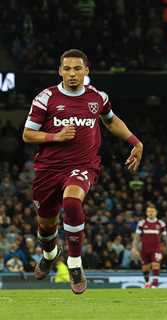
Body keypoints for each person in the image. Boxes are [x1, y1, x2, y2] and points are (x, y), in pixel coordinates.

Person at [22, 49, 144, 294]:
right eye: (67, 69)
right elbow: (27, 134)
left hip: (83, 166)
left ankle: (75, 263)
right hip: (48, 170)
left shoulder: (97, 97)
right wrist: (55, 136)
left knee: (72, 201)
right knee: (46, 227)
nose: (72, 74)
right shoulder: (46, 98)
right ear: (60, 71)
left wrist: (135, 142)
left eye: (78, 68)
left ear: (87, 70)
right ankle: (50, 253)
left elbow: (111, 120)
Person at [132, 203, 167, 288]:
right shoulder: (142, 223)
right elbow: (137, 237)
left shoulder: (161, 223)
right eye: (149, 211)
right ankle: (147, 283)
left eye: (152, 211)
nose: (151, 213)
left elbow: (165, 238)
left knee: (155, 264)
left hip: (156, 249)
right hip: (145, 249)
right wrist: (134, 248)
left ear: (156, 212)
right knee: (145, 268)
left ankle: (155, 284)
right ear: (146, 213)